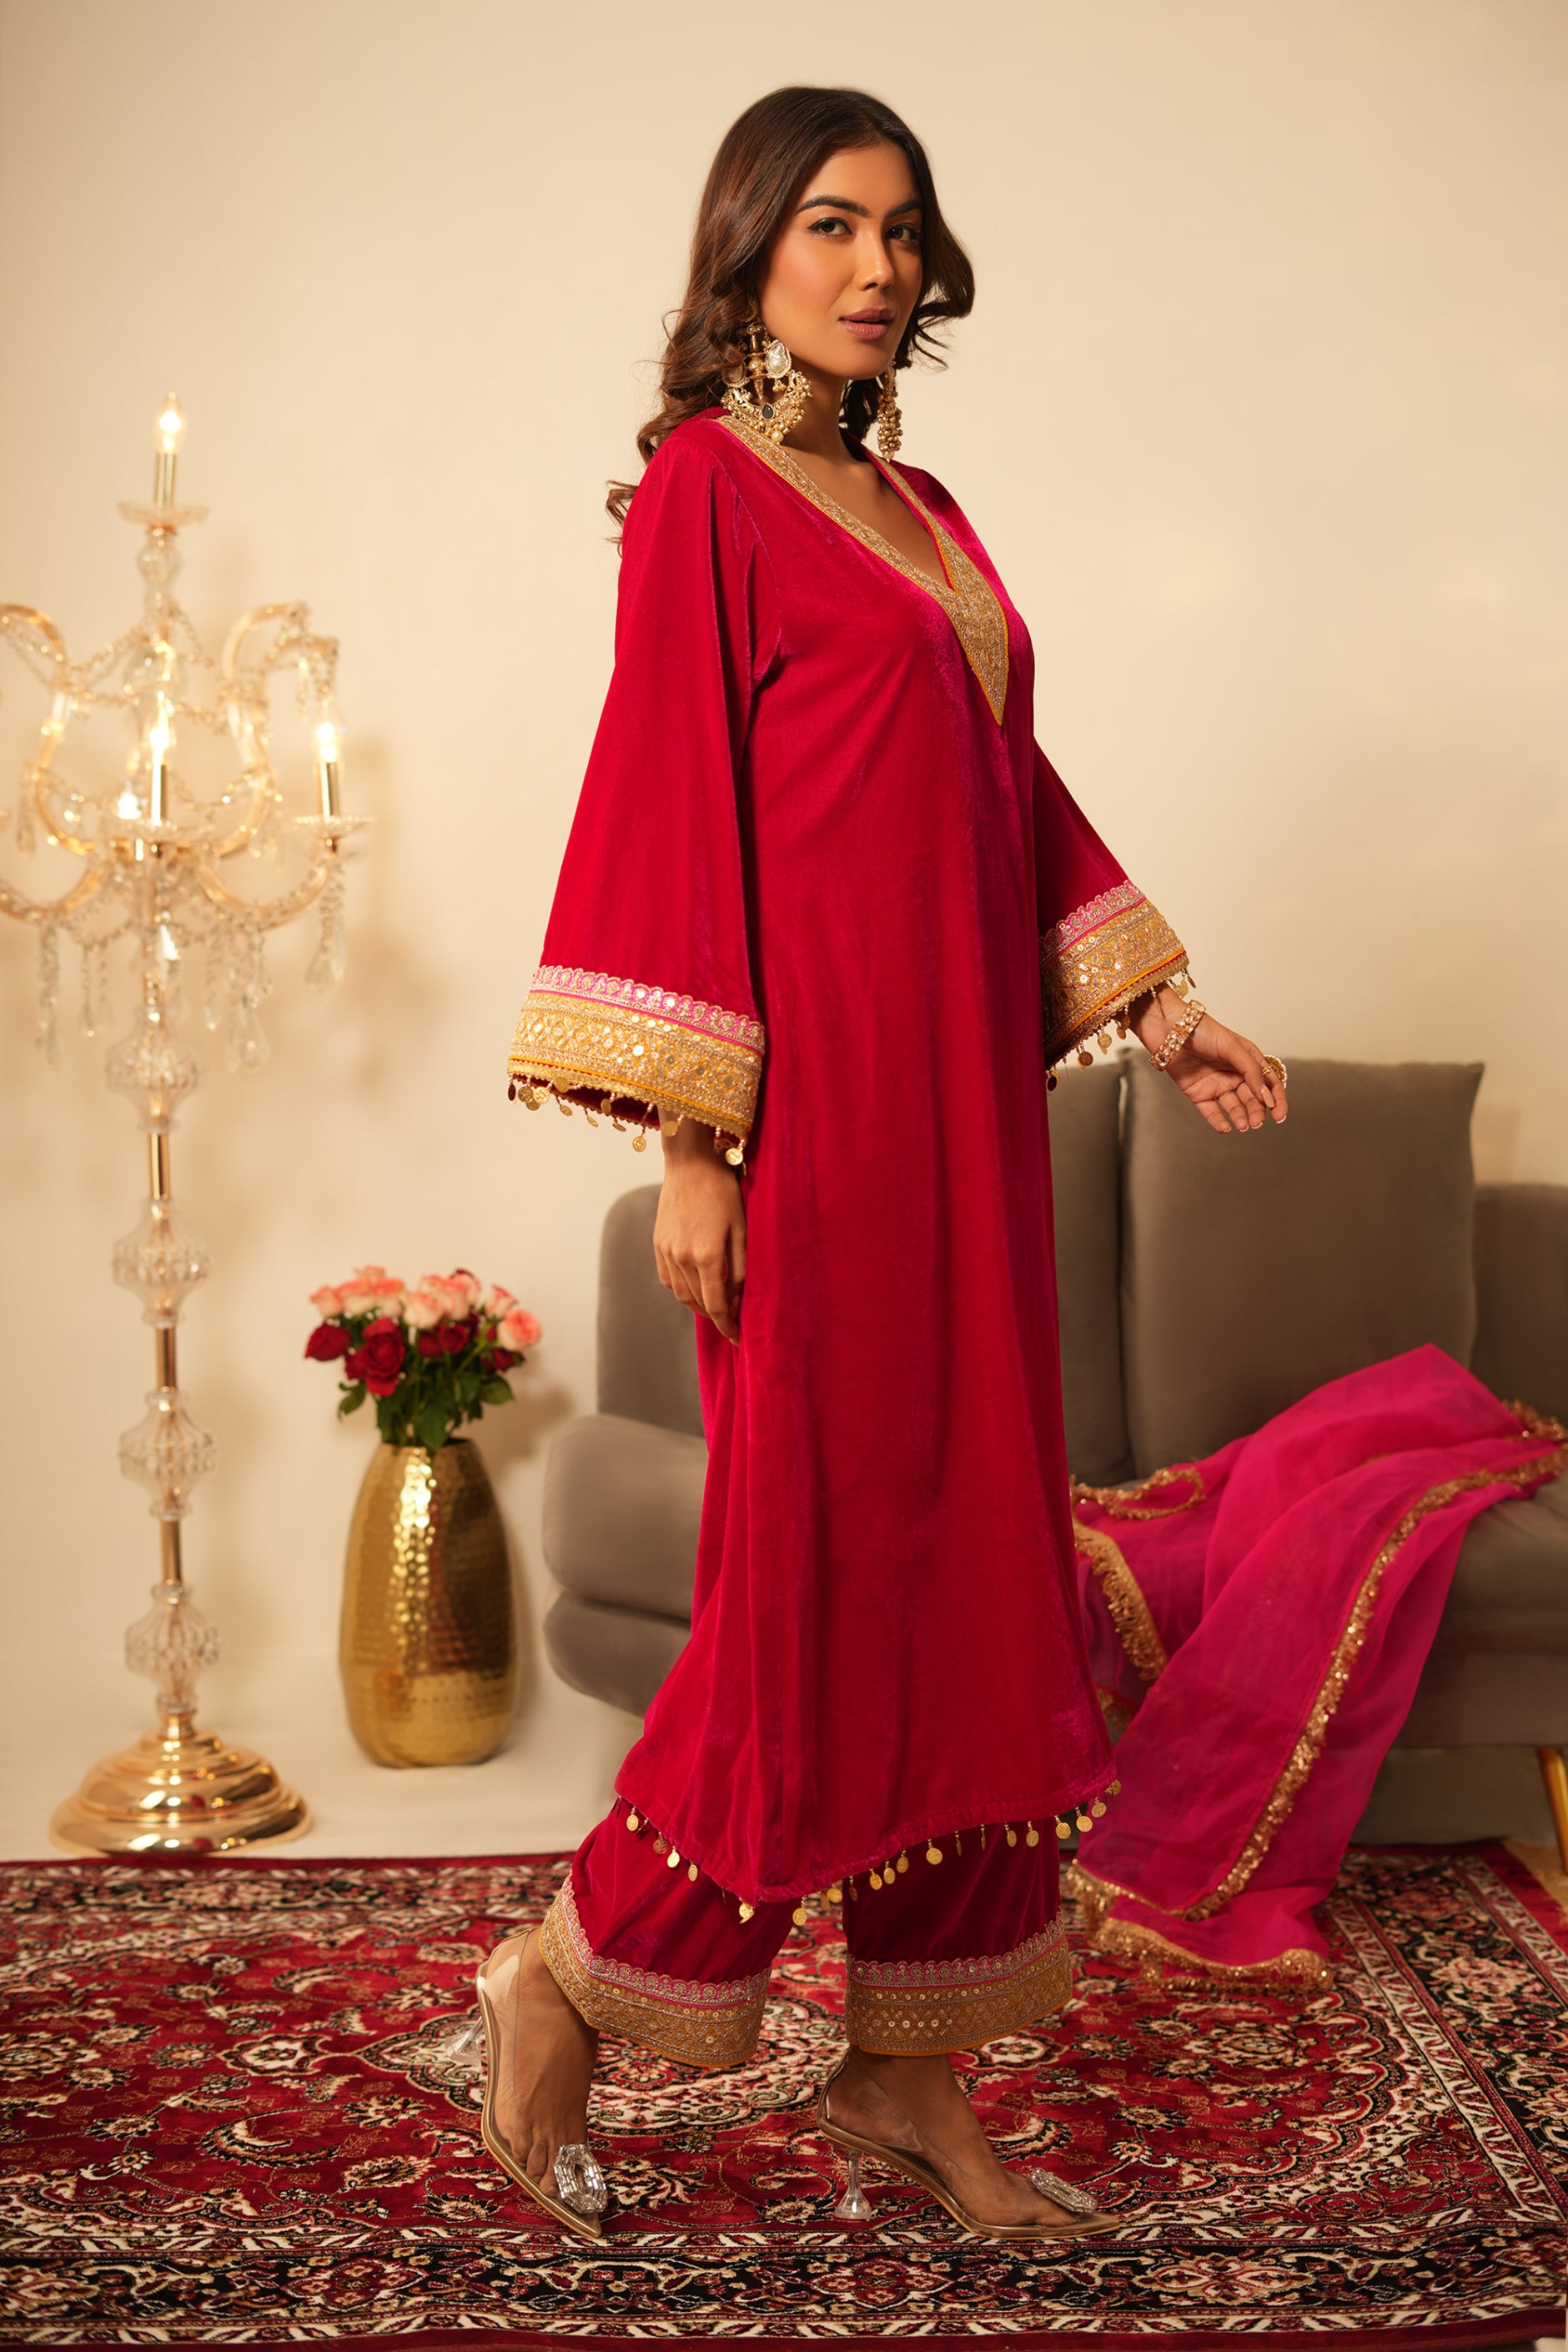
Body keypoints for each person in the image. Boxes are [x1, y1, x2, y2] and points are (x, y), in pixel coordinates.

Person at [490, 83, 1286, 2244]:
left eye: (904, 230)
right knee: (818, 1595)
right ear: (750, 247)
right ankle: (567, 1970)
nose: (876, 265)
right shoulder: (707, 495)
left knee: (972, 1581)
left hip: (968, 1132)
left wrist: (1155, 1006)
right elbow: (674, 795)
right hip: (819, 1127)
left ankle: (908, 2071)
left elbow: (1005, 786)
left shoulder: (925, 512)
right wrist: (697, 1145)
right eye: (832, 224)